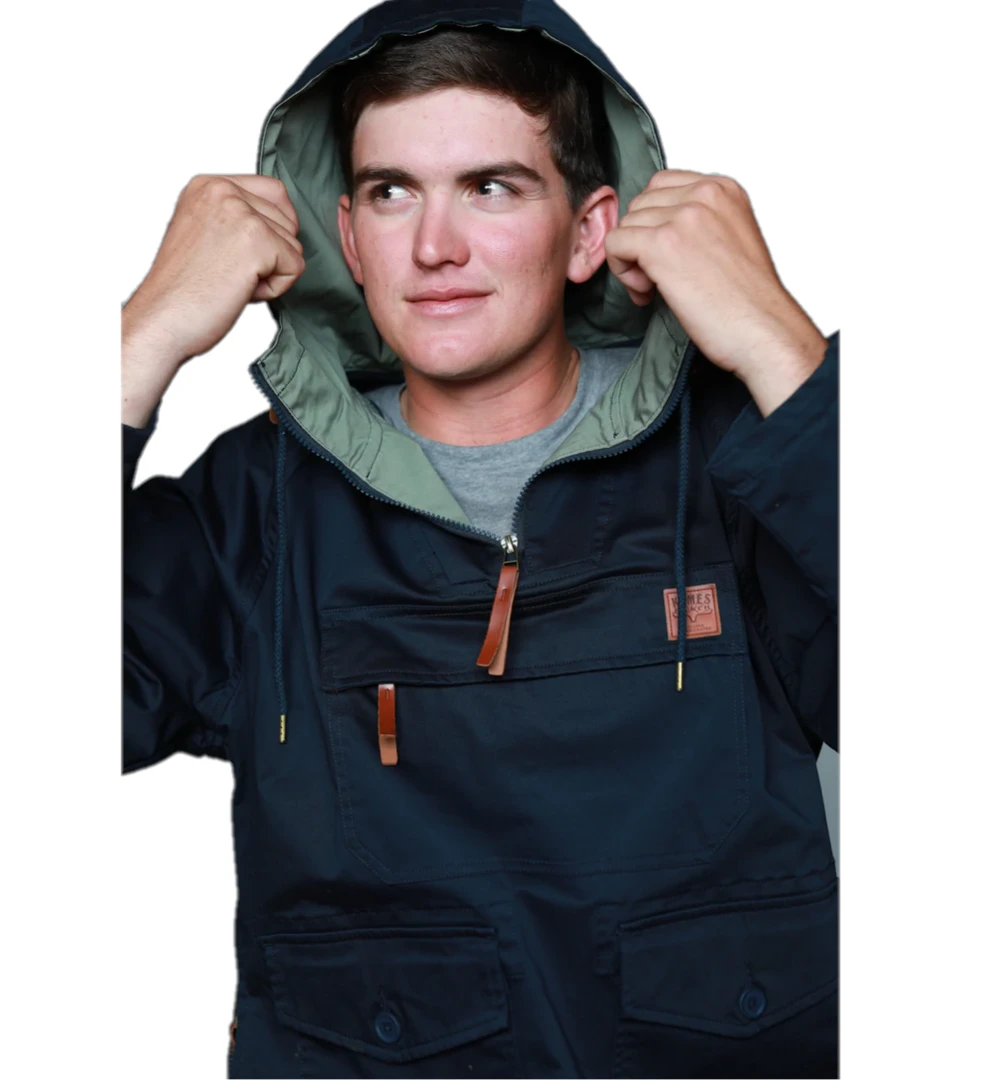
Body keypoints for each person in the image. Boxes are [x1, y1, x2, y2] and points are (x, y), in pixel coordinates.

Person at [122, 1, 839, 1076]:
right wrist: (137, 338)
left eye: (491, 188)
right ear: (347, 238)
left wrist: (784, 353)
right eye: (391, 193)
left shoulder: (746, 460)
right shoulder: (253, 505)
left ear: (589, 232)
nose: (435, 247)